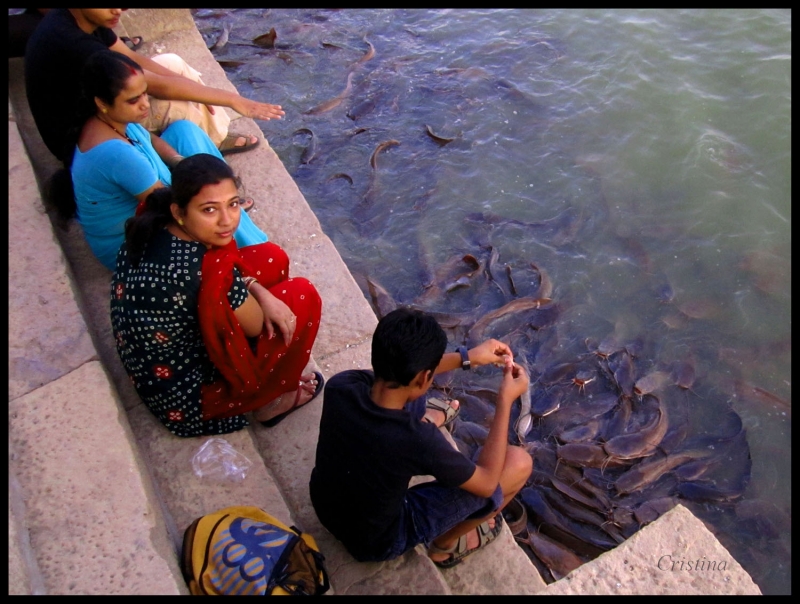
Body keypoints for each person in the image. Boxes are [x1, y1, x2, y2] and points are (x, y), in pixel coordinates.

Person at [111, 153, 323, 438]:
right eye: (209, 210)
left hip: (152, 367)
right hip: (190, 398)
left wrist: (251, 286)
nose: (227, 221)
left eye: (233, 204)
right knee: (302, 297)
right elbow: (257, 324)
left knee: (271, 256)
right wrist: (259, 293)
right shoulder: (202, 271)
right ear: (179, 211)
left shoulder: (152, 221)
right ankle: (272, 400)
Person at [309, 307, 533, 567]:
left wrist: (469, 357)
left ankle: (429, 415)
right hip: (375, 542)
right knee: (517, 464)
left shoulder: (343, 385)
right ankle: (444, 546)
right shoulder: (417, 440)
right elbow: (485, 483)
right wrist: (504, 400)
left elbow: (400, 377)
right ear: (425, 376)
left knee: (409, 400)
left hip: (325, 507)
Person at [69, 50, 267, 270]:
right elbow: (166, 207)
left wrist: (180, 161)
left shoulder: (112, 121)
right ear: (102, 103)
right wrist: (215, 204)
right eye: (134, 100)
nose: (145, 104)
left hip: (151, 199)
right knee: (209, 203)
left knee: (184, 131)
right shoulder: (117, 155)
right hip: (129, 244)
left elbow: (150, 139)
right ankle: (253, 252)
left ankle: (229, 209)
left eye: (145, 94)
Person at [24, 8, 284, 163]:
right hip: (78, 135)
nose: (120, 10)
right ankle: (213, 140)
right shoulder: (74, 44)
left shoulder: (83, 18)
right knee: (181, 108)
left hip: (95, 96)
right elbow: (155, 86)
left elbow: (133, 58)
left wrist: (200, 91)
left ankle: (211, 131)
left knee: (173, 63)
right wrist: (231, 99)